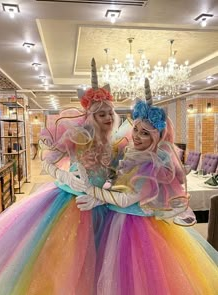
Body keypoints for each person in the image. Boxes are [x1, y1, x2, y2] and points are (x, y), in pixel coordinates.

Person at [0, 59, 124, 295]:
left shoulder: (116, 143)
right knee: (66, 263)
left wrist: (107, 191)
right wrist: (65, 177)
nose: (108, 118)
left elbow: (118, 177)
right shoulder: (75, 136)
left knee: (104, 260)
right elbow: (47, 161)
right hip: (70, 203)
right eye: (101, 114)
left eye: (110, 113)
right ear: (91, 117)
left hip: (102, 204)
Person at [76, 79, 218, 295]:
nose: (136, 136)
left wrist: (93, 192)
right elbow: (122, 187)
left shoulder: (154, 164)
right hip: (117, 221)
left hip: (135, 229)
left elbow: (127, 199)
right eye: (136, 130)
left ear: (157, 136)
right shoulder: (134, 154)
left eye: (145, 133)